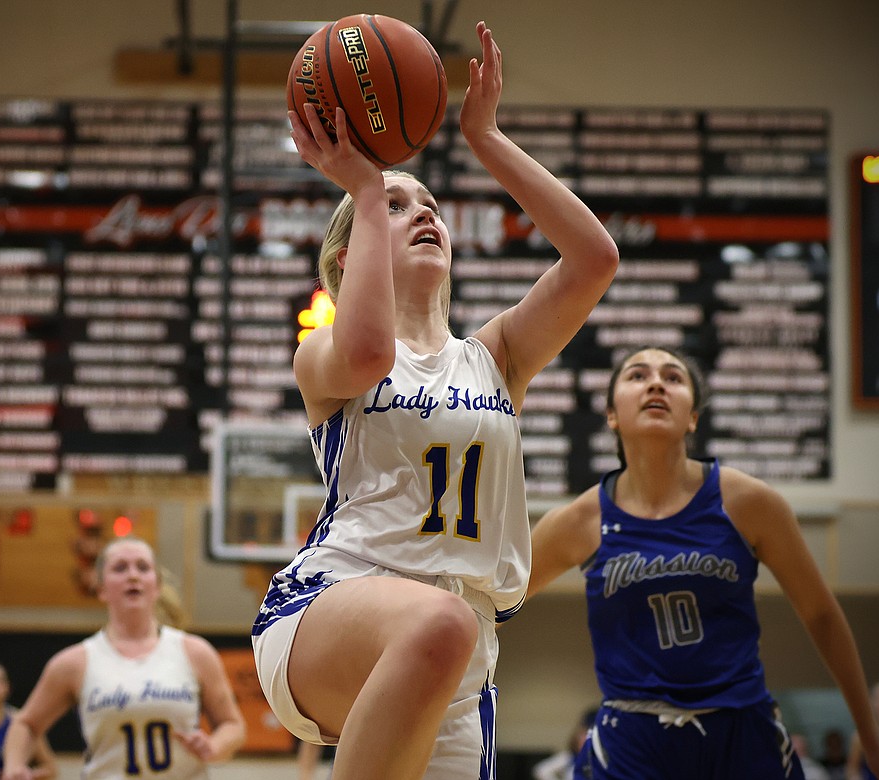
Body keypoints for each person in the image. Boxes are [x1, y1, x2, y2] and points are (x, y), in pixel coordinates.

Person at [252, 20, 619, 780]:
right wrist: (361, 180)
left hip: (464, 653)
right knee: (438, 623)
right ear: (349, 257)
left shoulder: (496, 356)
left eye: (430, 206)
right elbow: (366, 353)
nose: (423, 212)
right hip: (336, 601)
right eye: (394, 205)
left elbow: (593, 259)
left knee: (448, 627)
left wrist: (484, 137)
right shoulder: (323, 355)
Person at [528, 346, 879, 780]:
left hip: (741, 731)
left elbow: (822, 615)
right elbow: (493, 609)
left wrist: (872, 738)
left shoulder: (748, 501)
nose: (656, 382)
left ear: (693, 416)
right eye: (638, 375)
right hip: (632, 738)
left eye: (673, 377)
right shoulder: (579, 521)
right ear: (612, 415)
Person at [0, 537, 245, 780]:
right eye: (120, 568)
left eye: (143, 567)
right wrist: (14, 767)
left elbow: (233, 726)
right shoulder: (74, 662)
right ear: (101, 589)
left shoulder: (195, 652)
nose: (133, 575)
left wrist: (214, 747)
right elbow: (27, 724)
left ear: (157, 585)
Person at [531, 708, 596, 780]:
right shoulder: (568, 758)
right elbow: (541, 770)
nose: (585, 743)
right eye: (582, 740)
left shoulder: (600, 759)